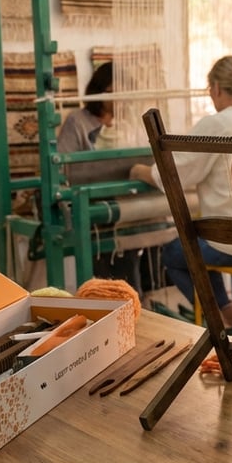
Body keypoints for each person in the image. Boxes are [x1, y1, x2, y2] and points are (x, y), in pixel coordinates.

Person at [131, 56, 232, 329]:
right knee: (198, 240)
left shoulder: (216, 125)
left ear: (216, 88)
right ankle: (228, 314)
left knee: (174, 253)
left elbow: (172, 175)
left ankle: (221, 317)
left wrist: (138, 171)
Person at [56, 62, 143, 291]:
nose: (121, 99)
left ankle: (134, 307)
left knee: (130, 265)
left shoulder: (128, 121)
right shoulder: (78, 122)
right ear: (100, 91)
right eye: (115, 92)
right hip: (94, 209)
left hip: (127, 206)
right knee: (103, 273)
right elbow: (62, 165)